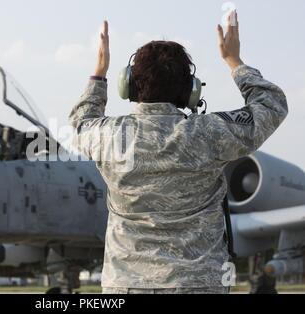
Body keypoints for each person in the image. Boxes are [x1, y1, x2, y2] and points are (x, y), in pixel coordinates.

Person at [69, 12, 288, 294]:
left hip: (125, 286)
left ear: (129, 86)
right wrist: (234, 62)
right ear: (191, 91)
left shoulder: (108, 136)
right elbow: (271, 105)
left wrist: (99, 72)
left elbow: (81, 121)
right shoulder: (209, 133)